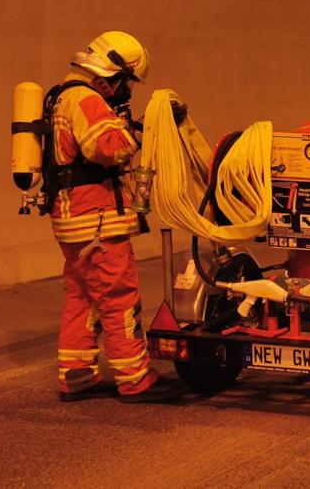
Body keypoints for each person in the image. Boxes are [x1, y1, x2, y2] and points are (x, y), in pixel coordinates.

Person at [43, 31, 182, 402]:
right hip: (97, 220)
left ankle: (77, 375)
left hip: (72, 219)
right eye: (126, 83)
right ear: (109, 75)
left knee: (82, 298)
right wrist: (137, 130)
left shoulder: (59, 96)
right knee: (120, 299)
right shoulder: (87, 100)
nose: (126, 91)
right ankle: (135, 378)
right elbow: (107, 148)